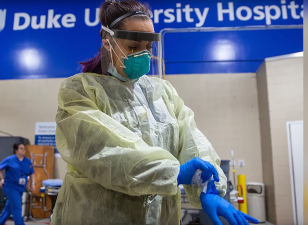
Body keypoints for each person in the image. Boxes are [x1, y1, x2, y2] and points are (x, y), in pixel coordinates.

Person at [52, 1, 259, 225]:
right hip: (96, 216)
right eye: (133, 47)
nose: (143, 56)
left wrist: (207, 187)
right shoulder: (79, 91)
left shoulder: (163, 93)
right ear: (107, 41)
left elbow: (191, 139)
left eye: (148, 48)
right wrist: (174, 173)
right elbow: (103, 153)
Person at [0, 143, 35, 225]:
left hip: (21, 187)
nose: (23, 150)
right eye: (21, 148)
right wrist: (2, 179)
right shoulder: (9, 159)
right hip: (10, 187)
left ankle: (0, 224)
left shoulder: (27, 161)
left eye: (24, 148)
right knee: (17, 207)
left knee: (9, 207)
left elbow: (32, 173)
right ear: (16, 150)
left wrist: (33, 184)